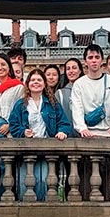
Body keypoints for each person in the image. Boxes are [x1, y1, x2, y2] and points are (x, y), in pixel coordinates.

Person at [7, 69, 72, 201]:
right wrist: (23, 132)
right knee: (24, 182)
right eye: (33, 80)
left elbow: (64, 123)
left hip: (46, 150)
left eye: (39, 80)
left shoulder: (52, 103)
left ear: (44, 84)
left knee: (43, 180)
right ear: (28, 84)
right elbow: (13, 125)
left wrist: (61, 132)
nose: (35, 82)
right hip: (27, 151)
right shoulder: (20, 105)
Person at [72, 44, 110, 139]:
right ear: (85, 62)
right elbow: (77, 108)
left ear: (102, 61)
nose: (94, 60)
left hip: (109, 133)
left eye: (97, 57)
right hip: (88, 134)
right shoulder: (79, 84)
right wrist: (82, 128)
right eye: (90, 57)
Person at [58, 58, 83, 124]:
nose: (71, 71)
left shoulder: (87, 90)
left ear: (80, 71)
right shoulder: (60, 93)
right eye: (68, 69)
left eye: (74, 68)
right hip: (66, 132)